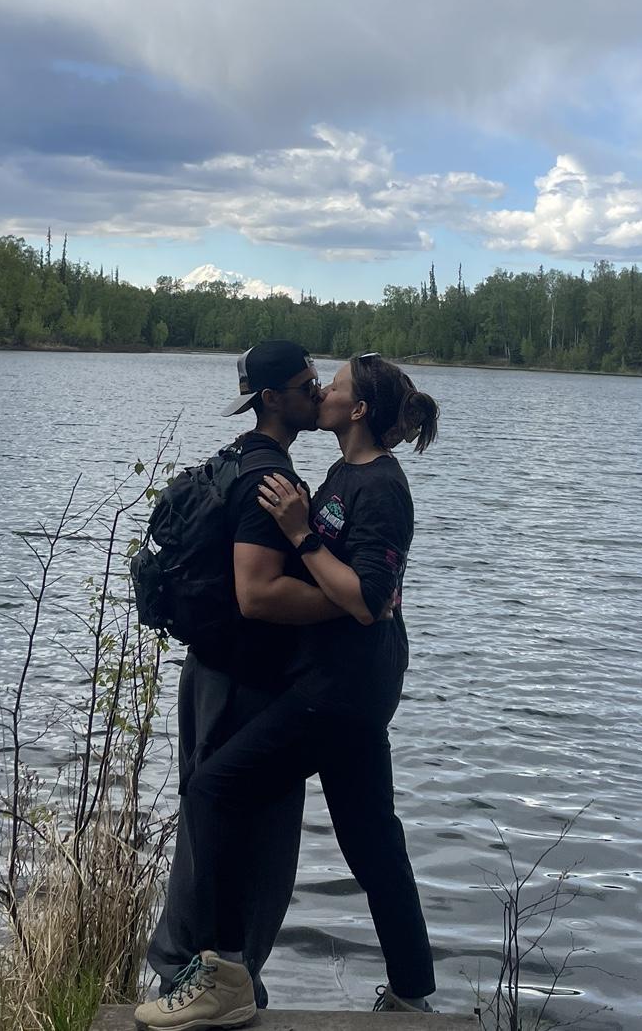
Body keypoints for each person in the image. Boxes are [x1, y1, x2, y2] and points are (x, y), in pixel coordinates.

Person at [136, 353, 440, 1030]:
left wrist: (301, 533)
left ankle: (224, 977)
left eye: (331, 386)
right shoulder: (340, 473)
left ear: (357, 409)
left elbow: (366, 598)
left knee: (215, 789)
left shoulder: (382, 487)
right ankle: (412, 993)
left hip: (343, 689)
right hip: (335, 680)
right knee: (370, 839)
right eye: (314, 384)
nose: (321, 391)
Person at [146, 340, 348, 1011]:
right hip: (248, 685)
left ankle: (192, 977)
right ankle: (225, 986)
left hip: (211, 673)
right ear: (272, 399)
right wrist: (353, 605)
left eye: (319, 379)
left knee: (210, 828)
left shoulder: (235, 458)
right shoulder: (271, 480)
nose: (319, 392)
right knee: (257, 842)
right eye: (306, 383)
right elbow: (257, 595)